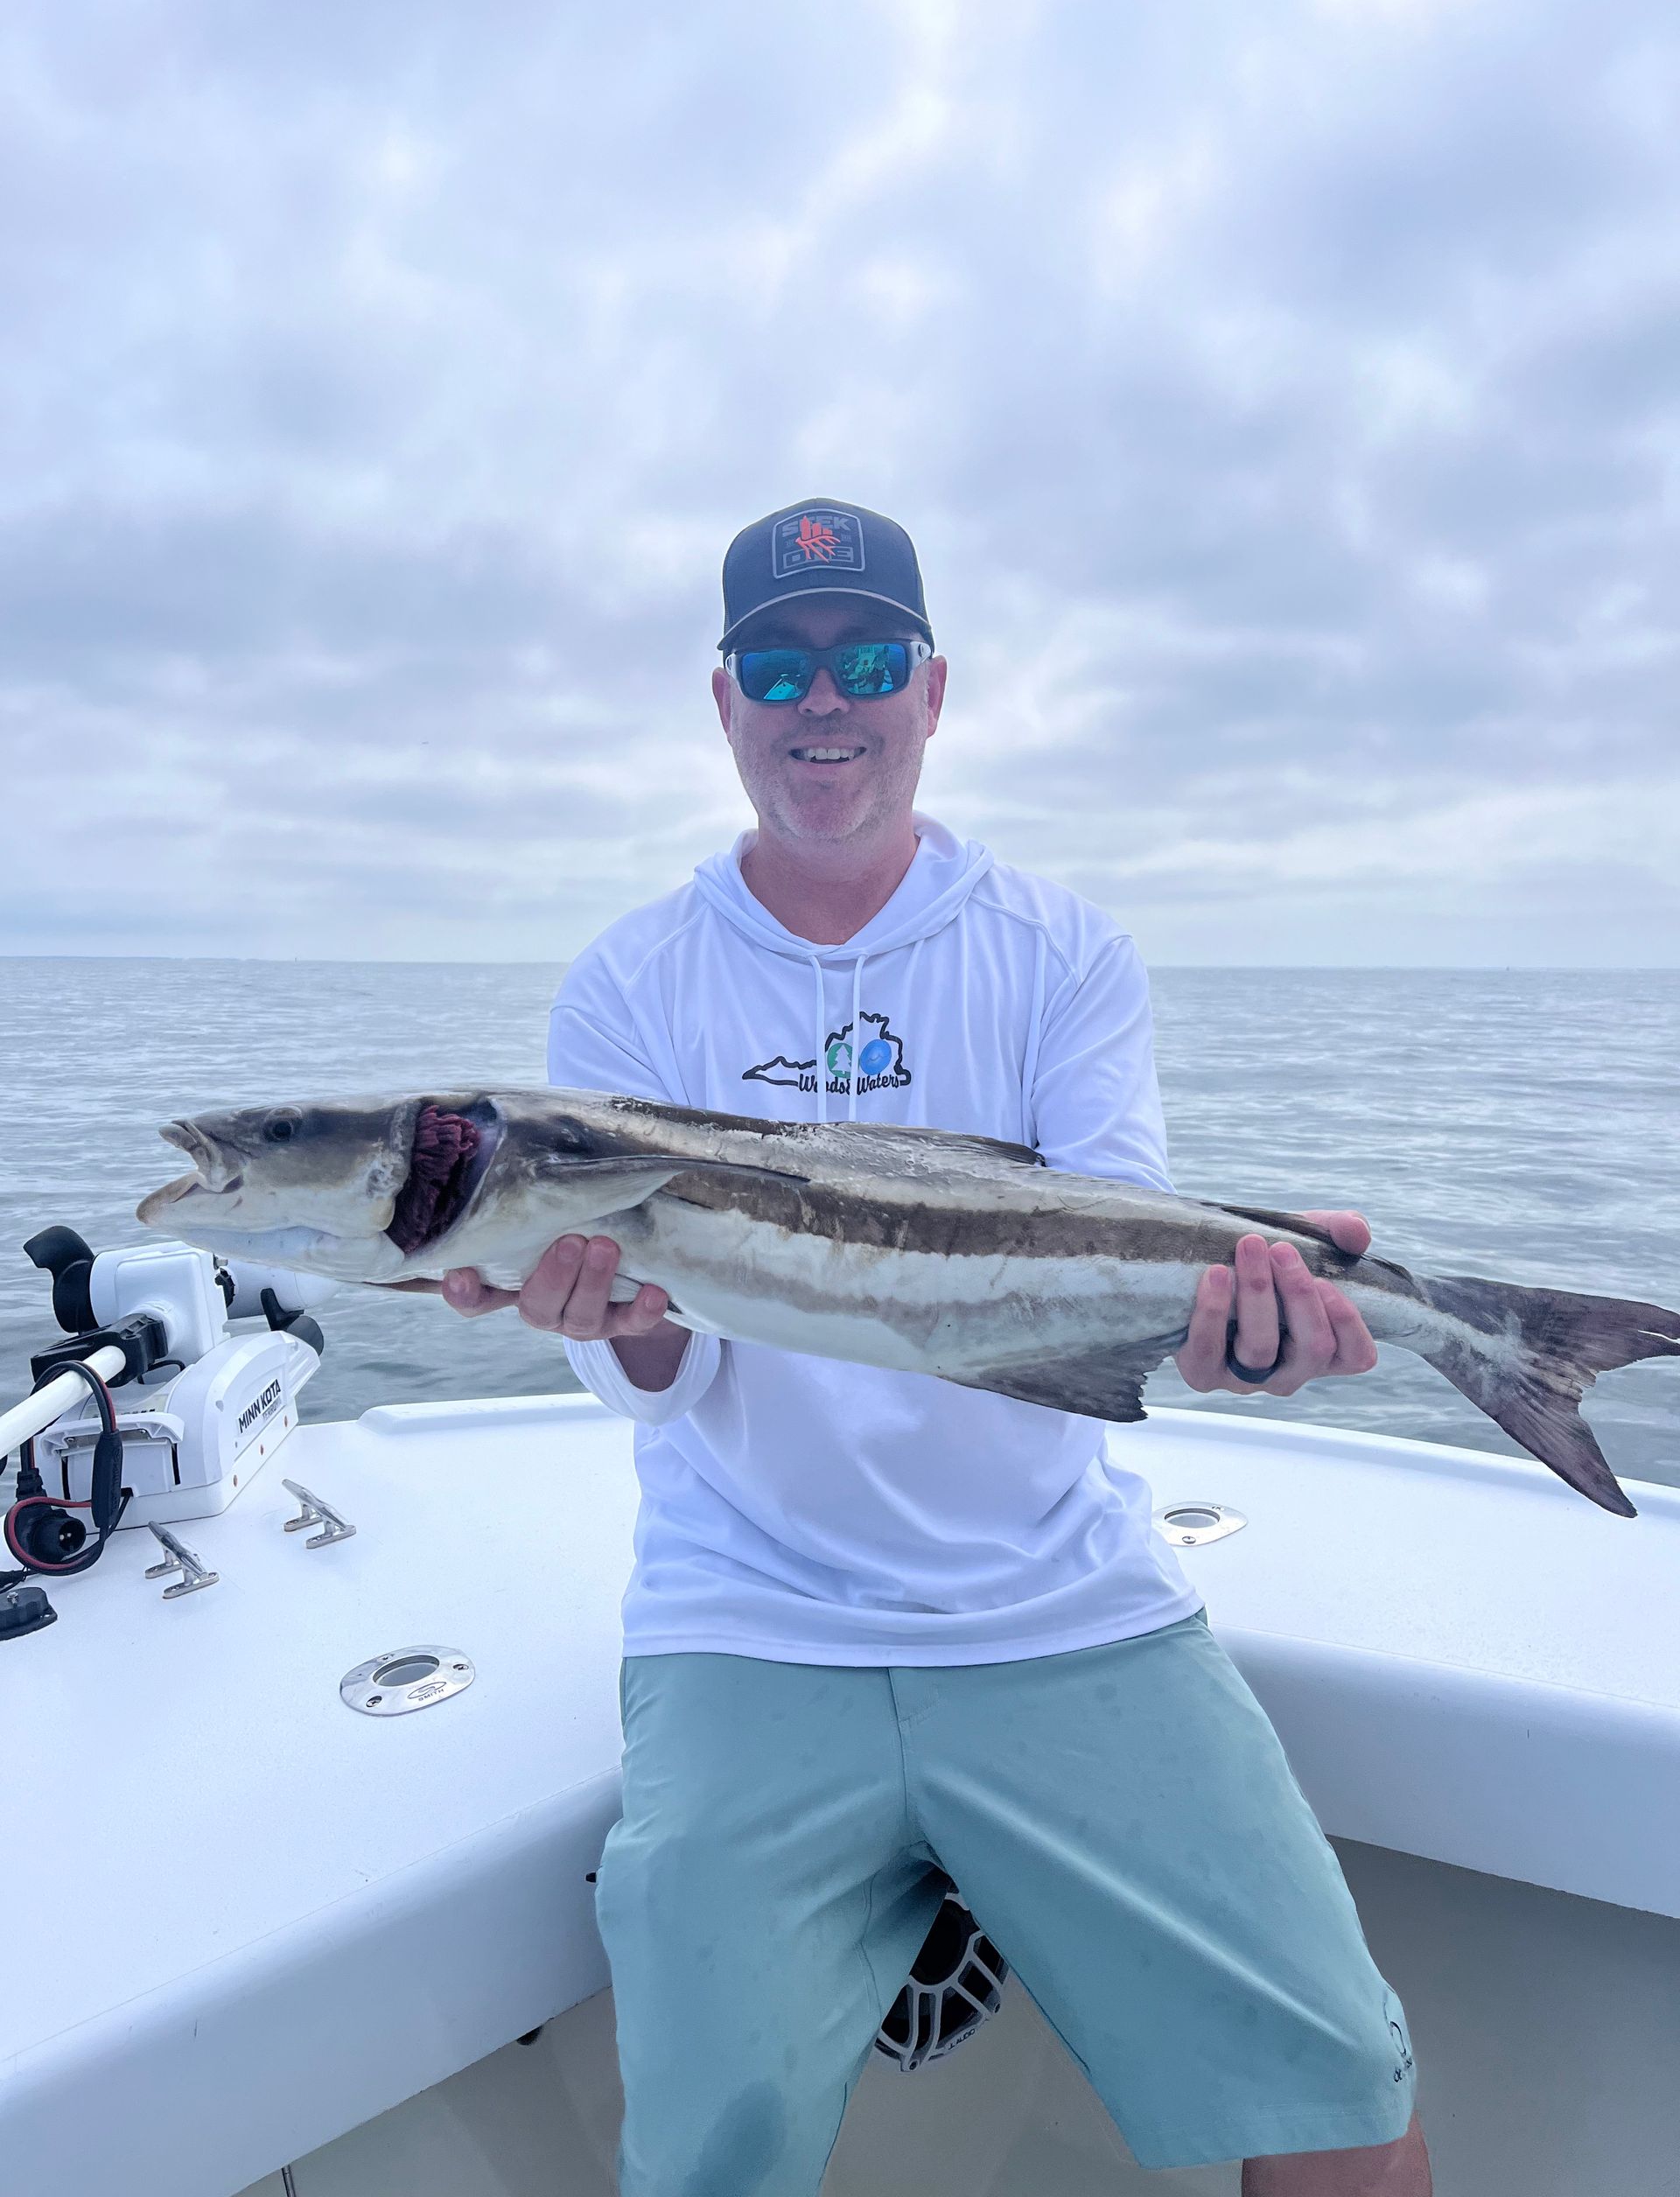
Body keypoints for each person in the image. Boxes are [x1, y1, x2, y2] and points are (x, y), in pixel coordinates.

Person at [441, 500, 1432, 2196]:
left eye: (865, 657)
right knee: (702, 2155)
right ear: (724, 697)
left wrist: (1240, 1339)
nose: (822, 700)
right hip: (747, 1610)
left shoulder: (1059, 949)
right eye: (778, 661)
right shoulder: (631, 983)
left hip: (1063, 1598)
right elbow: (641, 1370)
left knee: (1342, 2096)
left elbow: (1106, 1254)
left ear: (934, 687)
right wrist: (617, 1329)